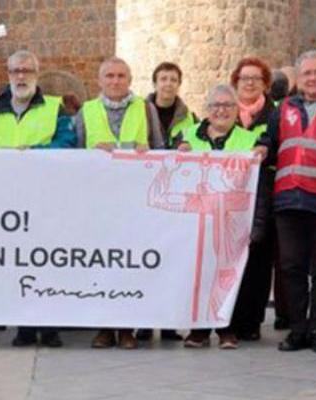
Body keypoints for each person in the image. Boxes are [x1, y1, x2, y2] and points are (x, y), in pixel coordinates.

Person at [254, 50, 316, 353]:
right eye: (307, 73)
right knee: (291, 268)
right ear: (299, 78)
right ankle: (297, 330)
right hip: (288, 201)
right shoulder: (283, 109)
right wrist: (262, 149)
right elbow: (268, 140)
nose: (313, 78)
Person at [0, 50, 75, 347]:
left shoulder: (55, 107)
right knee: (15, 264)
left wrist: (34, 155)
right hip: (6, 200)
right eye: (15, 71)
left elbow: (67, 143)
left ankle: (49, 327)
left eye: (26, 70)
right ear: (8, 74)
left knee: (47, 263)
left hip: (46, 200)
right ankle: (24, 326)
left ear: (37, 74)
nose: (20, 76)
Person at [75, 57, 162, 350]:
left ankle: (127, 328)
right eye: (109, 76)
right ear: (99, 81)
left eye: (121, 76)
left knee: (130, 265)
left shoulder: (145, 109)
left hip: (136, 201)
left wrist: (146, 152)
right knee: (100, 264)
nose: (115, 81)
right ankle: (103, 327)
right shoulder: (86, 111)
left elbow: (161, 150)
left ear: (130, 79)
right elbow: (71, 158)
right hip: (97, 201)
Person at [164, 84, 260, 349]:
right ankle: (199, 330)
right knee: (199, 274)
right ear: (206, 110)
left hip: (232, 220)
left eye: (228, 106)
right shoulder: (186, 137)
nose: (222, 111)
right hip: (196, 221)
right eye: (216, 106)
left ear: (236, 109)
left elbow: (258, 184)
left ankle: (227, 328)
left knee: (228, 274)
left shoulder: (249, 140)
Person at [136, 62, 196, 342]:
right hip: (145, 190)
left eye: (173, 79)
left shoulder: (189, 117)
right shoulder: (140, 111)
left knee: (171, 258)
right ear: (155, 82)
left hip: (174, 191)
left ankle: (170, 321)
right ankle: (146, 321)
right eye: (163, 78)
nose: (168, 84)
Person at [224, 57, 277, 342]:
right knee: (228, 259)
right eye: (244, 78)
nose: (250, 82)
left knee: (258, 259)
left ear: (265, 84)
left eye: (256, 78)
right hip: (230, 197)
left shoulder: (275, 114)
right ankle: (227, 318)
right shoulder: (223, 112)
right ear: (236, 82)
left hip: (263, 196)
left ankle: (252, 321)